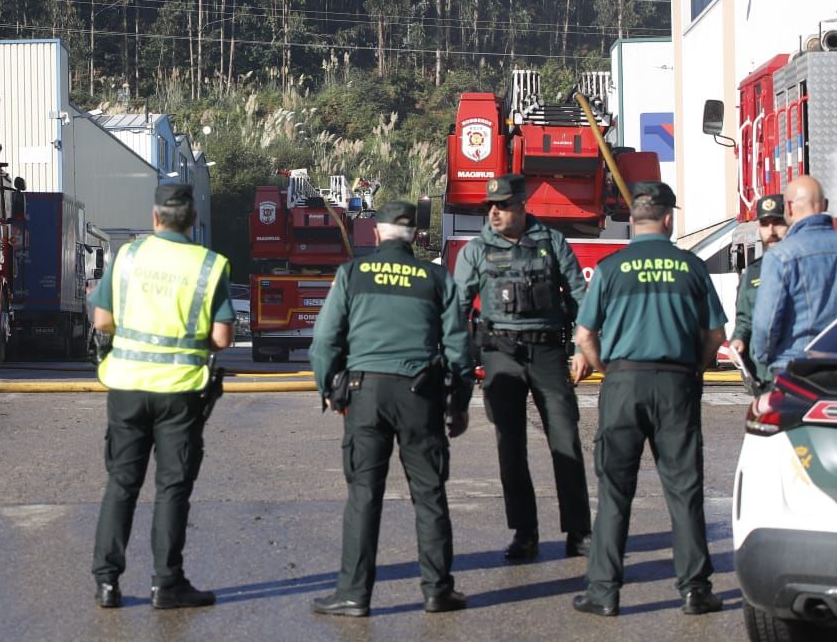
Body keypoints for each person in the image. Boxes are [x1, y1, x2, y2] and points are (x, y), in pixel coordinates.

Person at [308, 200, 475, 618]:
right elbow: (459, 345)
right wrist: (460, 403)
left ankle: (353, 595)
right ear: (416, 236)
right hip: (420, 395)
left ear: (376, 234)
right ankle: (437, 591)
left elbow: (324, 340)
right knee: (429, 494)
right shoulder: (437, 277)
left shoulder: (351, 274)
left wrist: (328, 387)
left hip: (365, 394)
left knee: (363, 495)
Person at [569, 181, 727, 617]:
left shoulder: (610, 268)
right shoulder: (691, 268)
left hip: (622, 384)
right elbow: (715, 334)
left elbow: (584, 334)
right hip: (676, 383)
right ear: (668, 218)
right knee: (684, 489)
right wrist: (695, 366)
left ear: (633, 218)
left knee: (615, 492)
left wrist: (604, 367)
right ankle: (694, 590)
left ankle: (603, 593)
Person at [89, 182, 234, 610]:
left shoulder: (128, 256)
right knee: (172, 488)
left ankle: (107, 583)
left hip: (128, 386)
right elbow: (222, 337)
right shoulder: (209, 265)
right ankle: (167, 584)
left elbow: (101, 320)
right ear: (192, 223)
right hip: (180, 393)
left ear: (155, 219)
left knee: (121, 484)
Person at [452, 174, 592, 561]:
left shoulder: (552, 242)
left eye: (503, 205)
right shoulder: (476, 250)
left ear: (521, 205)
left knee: (565, 439)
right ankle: (524, 532)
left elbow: (581, 299)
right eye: (489, 207)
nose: (494, 212)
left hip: (547, 353)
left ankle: (579, 530)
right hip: (500, 355)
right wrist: (455, 365)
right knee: (510, 447)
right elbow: (457, 311)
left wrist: (583, 347)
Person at [749, 175, 837, 375]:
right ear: (825, 204)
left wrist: (762, 356)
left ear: (788, 207)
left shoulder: (780, 256)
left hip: (796, 370)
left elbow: (766, 324)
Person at [730, 193, 787, 387]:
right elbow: (745, 318)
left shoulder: (804, 266)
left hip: (797, 373)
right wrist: (738, 339)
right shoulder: (753, 272)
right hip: (761, 375)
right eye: (764, 224)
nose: (771, 231)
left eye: (778, 222)